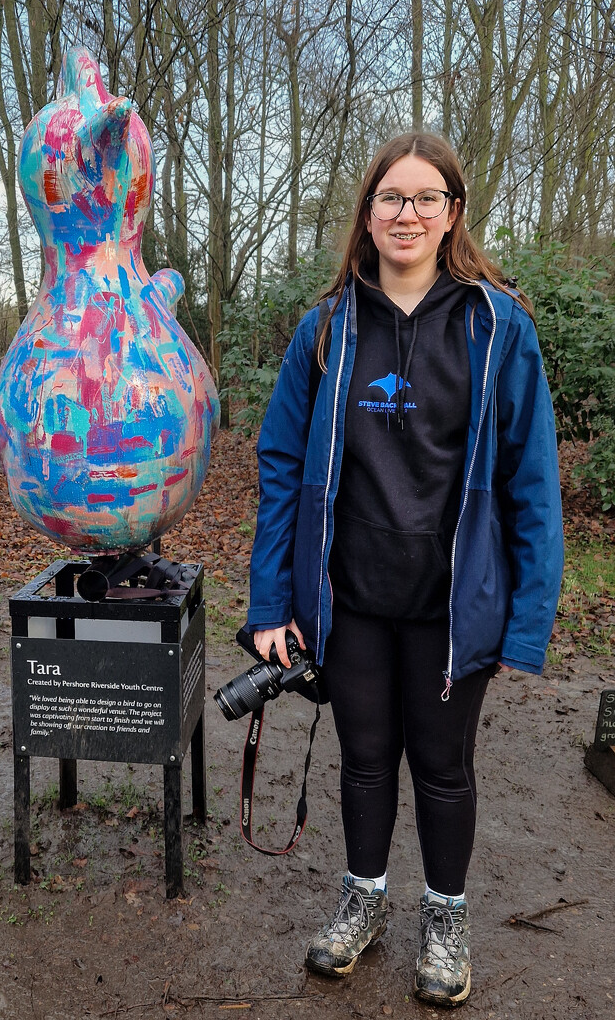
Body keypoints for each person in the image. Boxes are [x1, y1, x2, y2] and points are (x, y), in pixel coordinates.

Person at [247, 133, 562, 1006]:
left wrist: (526, 620)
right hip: (348, 598)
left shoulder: (499, 328)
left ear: (453, 212)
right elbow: (280, 468)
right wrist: (272, 599)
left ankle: (448, 915)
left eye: (427, 198)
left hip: (451, 605)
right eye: (392, 197)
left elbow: (534, 482)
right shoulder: (326, 330)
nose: (408, 213)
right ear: (368, 211)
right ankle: (362, 898)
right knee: (364, 756)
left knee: (443, 766)